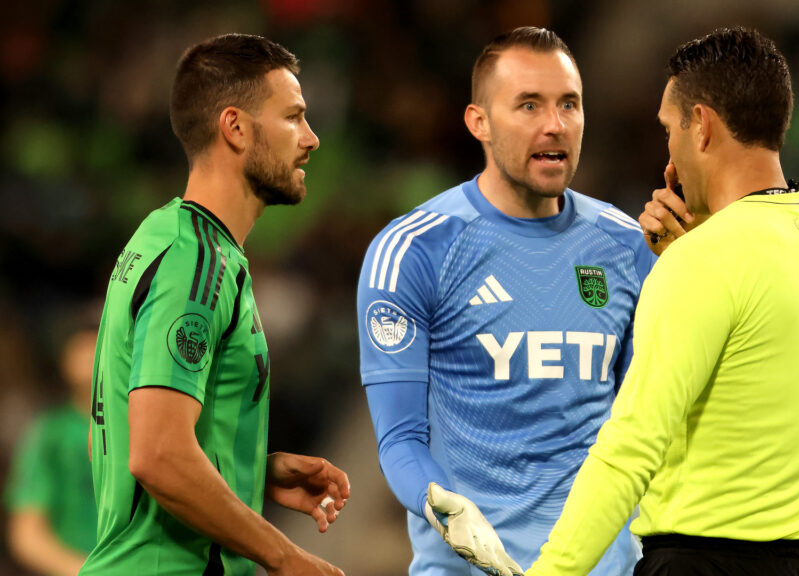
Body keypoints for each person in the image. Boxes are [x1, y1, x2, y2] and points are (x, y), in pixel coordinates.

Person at [527, 27, 799, 576]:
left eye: (670, 129)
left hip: (705, 563)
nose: (669, 149)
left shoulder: (702, 263)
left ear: (703, 127)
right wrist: (699, 243)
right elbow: (759, 371)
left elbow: (631, 448)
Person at [356, 26, 655, 576]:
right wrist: (444, 505)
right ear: (479, 123)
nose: (555, 124)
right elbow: (400, 440)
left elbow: (649, 426)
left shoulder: (628, 246)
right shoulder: (416, 249)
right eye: (529, 105)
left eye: (569, 103)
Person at [81, 33, 349, 576]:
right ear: (235, 127)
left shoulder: (165, 238)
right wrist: (285, 557)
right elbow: (156, 454)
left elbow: (129, 436)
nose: (312, 138)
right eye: (294, 117)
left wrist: (252, 471)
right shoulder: (197, 260)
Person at [4, 327, 98, 576]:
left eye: (98, 344)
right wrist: (86, 572)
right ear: (64, 360)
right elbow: (26, 532)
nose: (91, 355)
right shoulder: (50, 433)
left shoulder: (142, 428)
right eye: (82, 347)